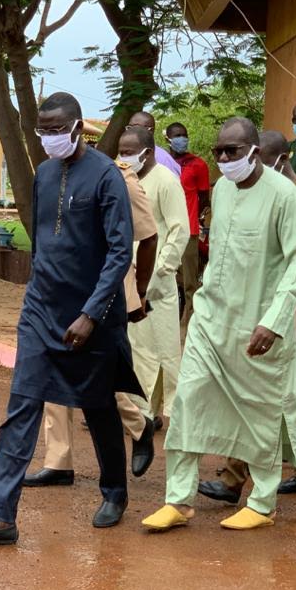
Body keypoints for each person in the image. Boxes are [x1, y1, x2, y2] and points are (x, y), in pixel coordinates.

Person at [0, 92, 139, 546]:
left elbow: (120, 253)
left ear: (78, 127)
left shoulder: (106, 177)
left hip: (91, 317)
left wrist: (91, 314)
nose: (50, 137)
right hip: (41, 311)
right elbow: (41, 238)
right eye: (43, 130)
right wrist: (36, 292)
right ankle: (0, 515)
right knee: (22, 404)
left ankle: (114, 491)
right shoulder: (42, 174)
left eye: (58, 129)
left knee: (97, 405)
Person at [141, 117, 296, 532]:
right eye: (218, 151)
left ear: (253, 151)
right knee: (187, 403)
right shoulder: (223, 189)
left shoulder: (284, 195)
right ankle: (178, 500)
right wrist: (202, 306)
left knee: (261, 414)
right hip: (211, 321)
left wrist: (273, 322)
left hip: (259, 330)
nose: (222, 158)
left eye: (231, 151)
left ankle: (262, 502)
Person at [196, 129, 296, 507]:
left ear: (273, 158)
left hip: (291, 311)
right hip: (258, 308)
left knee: (265, 393)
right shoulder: (249, 194)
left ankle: (235, 479)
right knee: (280, 394)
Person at [24, 159, 159, 486]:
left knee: (98, 381)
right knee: (53, 373)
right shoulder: (52, 176)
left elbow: (146, 237)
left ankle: (140, 426)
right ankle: (59, 461)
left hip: (105, 296)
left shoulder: (116, 178)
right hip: (58, 292)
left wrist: (139, 292)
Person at [119, 125, 190, 427]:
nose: (123, 158)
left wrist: (161, 271)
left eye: (128, 153)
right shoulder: (124, 180)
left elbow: (179, 230)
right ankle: (139, 412)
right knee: (136, 347)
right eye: (120, 153)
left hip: (158, 281)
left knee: (162, 349)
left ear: (147, 153)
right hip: (128, 277)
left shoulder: (166, 181)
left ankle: (167, 412)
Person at [164, 122, 211, 327]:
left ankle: (190, 321)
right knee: (167, 275)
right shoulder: (161, 162)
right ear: (167, 138)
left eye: (184, 135)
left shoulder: (198, 164)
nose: (181, 139)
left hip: (189, 228)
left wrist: (197, 219)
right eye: (177, 135)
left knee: (189, 279)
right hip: (164, 227)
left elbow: (204, 198)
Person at [126, 111, 181, 178]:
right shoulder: (126, 156)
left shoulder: (164, 160)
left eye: (136, 128)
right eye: (129, 128)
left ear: (150, 131)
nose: (131, 132)